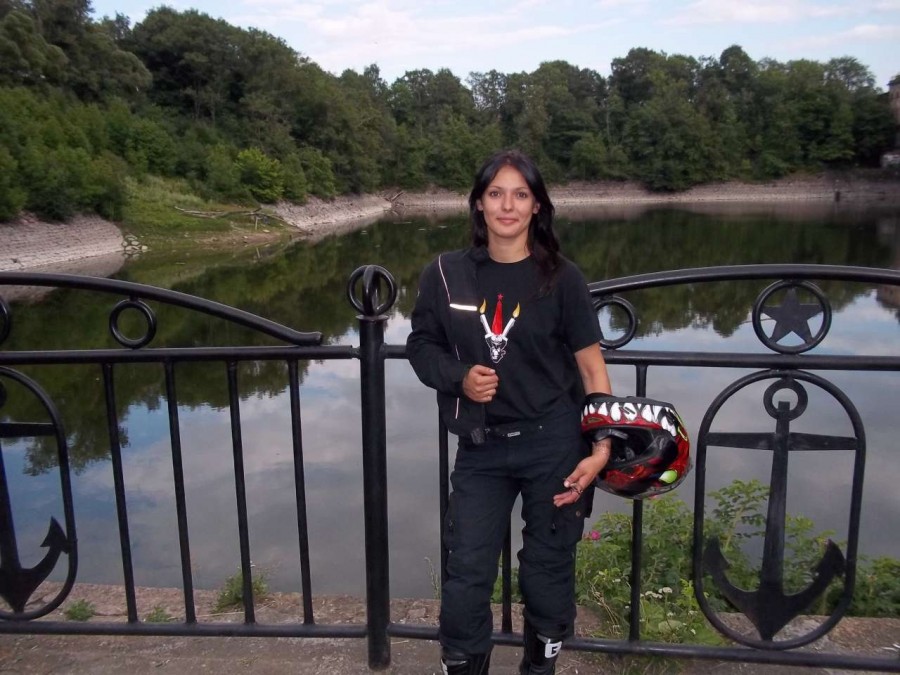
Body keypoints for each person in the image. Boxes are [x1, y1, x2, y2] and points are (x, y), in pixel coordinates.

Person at [406, 149, 613, 674]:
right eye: (495, 193)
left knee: (547, 572)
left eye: (520, 195)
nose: (507, 205)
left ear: (537, 206)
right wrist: (458, 377)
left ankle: (538, 668)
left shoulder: (562, 279)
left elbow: (592, 370)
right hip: (482, 448)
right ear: (478, 203)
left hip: (554, 446)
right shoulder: (447, 274)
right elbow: (421, 344)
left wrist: (602, 448)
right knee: (466, 572)